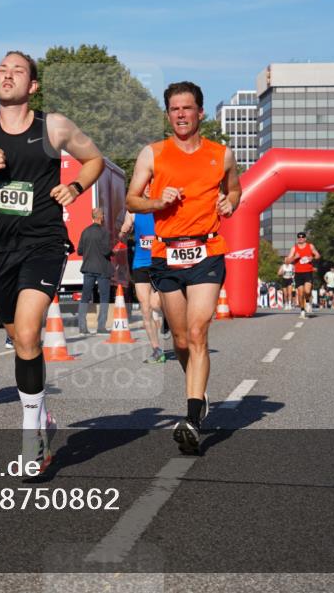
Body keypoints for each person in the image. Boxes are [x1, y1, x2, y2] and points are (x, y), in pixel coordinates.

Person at [0, 50, 104, 471]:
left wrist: (73, 187)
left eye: (17, 70)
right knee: (21, 341)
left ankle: (31, 435)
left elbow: (95, 160)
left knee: (31, 333)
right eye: (2, 69)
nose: (8, 75)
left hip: (44, 243)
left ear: (32, 85)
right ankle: (43, 417)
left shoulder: (52, 126)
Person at [125, 80, 241, 456]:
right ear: (168, 114)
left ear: (200, 112)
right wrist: (157, 200)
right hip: (166, 255)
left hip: (207, 251)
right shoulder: (153, 154)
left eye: (187, 108)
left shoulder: (220, 154)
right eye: (174, 109)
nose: (181, 115)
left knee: (197, 331)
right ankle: (198, 389)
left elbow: (235, 190)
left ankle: (192, 418)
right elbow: (132, 199)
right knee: (178, 340)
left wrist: (230, 203)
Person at [119, 209, 166, 363]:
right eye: (143, 184)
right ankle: (156, 349)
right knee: (146, 309)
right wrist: (123, 232)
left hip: (160, 262)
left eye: (149, 184)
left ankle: (171, 320)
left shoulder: (160, 206)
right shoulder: (133, 211)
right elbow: (124, 229)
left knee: (156, 303)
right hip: (140, 263)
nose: (146, 187)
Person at [77, 208, 112, 336]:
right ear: (101, 217)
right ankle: (101, 326)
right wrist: (113, 252)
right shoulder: (104, 232)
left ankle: (82, 326)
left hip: (88, 268)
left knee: (85, 297)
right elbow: (106, 251)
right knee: (104, 297)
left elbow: (80, 251)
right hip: (102, 268)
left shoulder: (85, 231)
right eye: (103, 214)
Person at [285, 232, 321, 319]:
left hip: (308, 272)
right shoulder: (294, 248)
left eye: (302, 237)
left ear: (305, 238)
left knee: (307, 291)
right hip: (298, 273)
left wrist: (312, 258)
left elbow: (318, 255)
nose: (301, 238)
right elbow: (286, 261)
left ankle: (308, 303)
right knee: (300, 294)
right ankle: (302, 311)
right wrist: (294, 258)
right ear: (298, 239)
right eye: (299, 237)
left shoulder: (310, 246)